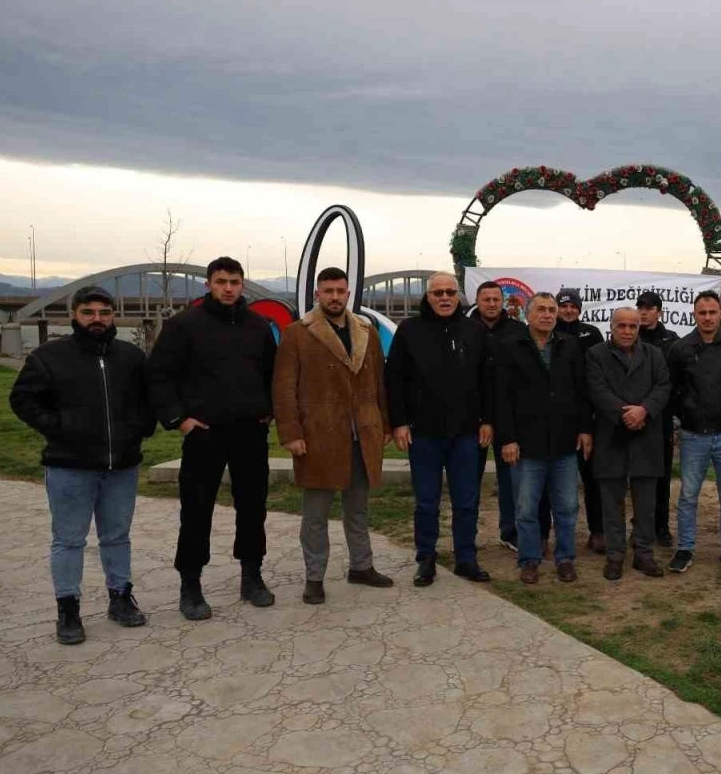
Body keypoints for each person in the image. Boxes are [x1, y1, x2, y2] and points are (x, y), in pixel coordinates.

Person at [9, 286, 155, 644]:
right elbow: (22, 399)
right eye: (88, 312)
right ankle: (68, 608)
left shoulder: (131, 356)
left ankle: (120, 597)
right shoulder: (49, 357)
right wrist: (59, 428)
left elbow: (149, 398)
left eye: (104, 313)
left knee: (117, 536)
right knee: (69, 540)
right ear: (74, 315)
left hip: (121, 464)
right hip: (69, 465)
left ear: (113, 316)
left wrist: (139, 428)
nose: (97, 319)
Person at [146, 256, 277, 620]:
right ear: (208, 284)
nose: (229, 288)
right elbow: (158, 376)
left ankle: (252, 577)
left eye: (235, 281)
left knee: (253, 507)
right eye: (221, 281)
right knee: (196, 509)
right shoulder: (183, 326)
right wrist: (179, 419)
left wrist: (270, 408)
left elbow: (273, 371)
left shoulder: (258, 326)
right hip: (204, 433)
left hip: (250, 431)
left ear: (243, 284)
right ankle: (190, 586)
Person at [273, 267, 394, 605]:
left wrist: (383, 424)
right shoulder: (297, 333)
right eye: (328, 291)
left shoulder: (365, 331)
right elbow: (284, 389)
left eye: (340, 291)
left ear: (349, 294)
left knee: (358, 508)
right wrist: (291, 434)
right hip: (319, 437)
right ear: (317, 294)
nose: (335, 297)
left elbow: (379, 385)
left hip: (362, 436)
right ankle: (314, 577)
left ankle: (362, 565)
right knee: (316, 515)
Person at [386, 272, 492, 587]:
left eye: (450, 292)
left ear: (458, 296)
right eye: (438, 293)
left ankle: (466, 558)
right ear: (428, 297)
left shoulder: (475, 331)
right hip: (424, 433)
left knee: (466, 499)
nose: (444, 298)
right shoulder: (409, 330)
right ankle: (426, 558)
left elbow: (488, 380)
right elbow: (394, 379)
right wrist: (399, 422)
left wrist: (487, 419)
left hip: (466, 433)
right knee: (427, 501)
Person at [495, 293, 592, 584]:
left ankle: (565, 558)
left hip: (563, 444)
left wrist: (585, 429)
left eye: (552, 310)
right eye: (541, 310)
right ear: (528, 313)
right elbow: (501, 398)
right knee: (525, 509)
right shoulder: (510, 346)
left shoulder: (570, 345)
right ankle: (529, 560)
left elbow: (581, 392)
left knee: (567, 507)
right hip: (526, 446)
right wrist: (508, 439)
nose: (548, 315)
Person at [667, 290, 721, 574]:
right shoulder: (680, 349)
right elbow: (673, 388)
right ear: (694, 314)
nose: (707, 317)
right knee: (688, 495)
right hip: (693, 435)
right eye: (702, 312)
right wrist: (687, 412)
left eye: (712, 312)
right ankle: (685, 547)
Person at [589, 307, 673, 579]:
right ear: (611, 327)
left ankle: (643, 555)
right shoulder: (596, 354)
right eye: (621, 326)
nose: (626, 331)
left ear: (639, 327)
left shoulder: (655, 354)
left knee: (646, 505)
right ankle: (615, 557)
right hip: (611, 436)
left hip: (646, 435)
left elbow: (663, 387)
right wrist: (625, 413)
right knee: (612, 503)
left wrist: (644, 410)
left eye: (632, 326)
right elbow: (597, 389)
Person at [469, 281, 534, 553]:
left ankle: (510, 531)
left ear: (503, 301)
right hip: (473, 418)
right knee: (469, 480)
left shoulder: (519, 331)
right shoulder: (465, 330)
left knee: (511, 480)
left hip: (510, 418)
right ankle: (466, 535)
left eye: (496, 299)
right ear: (478, 300)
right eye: (487, 299)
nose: (492, 304)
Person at [555, 288, 605, 552]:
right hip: (558, 418)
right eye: (563, 306)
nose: (568, 310)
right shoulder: (547, 332)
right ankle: (544, 534)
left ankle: (598, 531)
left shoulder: (591, 333)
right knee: (552, 482)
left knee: (592, 478)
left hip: (588, 416)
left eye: (573, 306)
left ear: (579, 308)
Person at [636, 290, 680, 548]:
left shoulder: (671, 341)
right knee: (635, 474)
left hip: (660, 417)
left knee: (661, 474)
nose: (644, 311)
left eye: (650, 307)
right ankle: (638, 525)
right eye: (641, 306)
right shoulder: (630, 335)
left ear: (659, 312)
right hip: (633, 414)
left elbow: (672, 381)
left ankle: (660, 526)